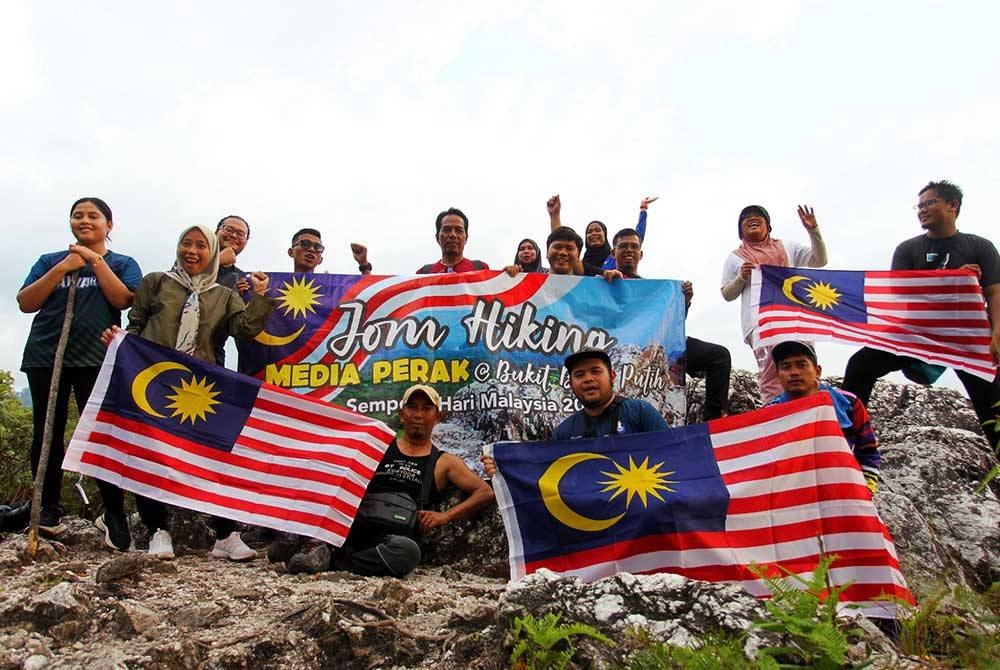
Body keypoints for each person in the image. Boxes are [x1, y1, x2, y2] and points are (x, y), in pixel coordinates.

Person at [97, 224, 276, 559]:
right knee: (150, 455)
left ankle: (225, 535)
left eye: (200, 246)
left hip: (200, 388)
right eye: (185, 244)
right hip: (152, 381)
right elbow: (135, 326)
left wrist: (262, 296)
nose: (191, 251)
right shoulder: (156, 282)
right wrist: (119, 342)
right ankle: (157, 531)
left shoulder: (224, 294)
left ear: (211, 253)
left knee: (212, 458)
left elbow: (246, 330)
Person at [16, 197, 142, 537]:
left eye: (93, 216)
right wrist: (63, 268)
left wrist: (94, 261)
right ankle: (47, 508)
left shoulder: (122, 262)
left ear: (109, 225)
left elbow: (124, 300)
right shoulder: (50, 261)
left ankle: (114, 512)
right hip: (47, 355)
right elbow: (26, 302)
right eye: (77, 215)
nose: (84, 221)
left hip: (96, 359)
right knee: (48, 434)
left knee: (101, 434)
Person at [842, 180, 1000, 450]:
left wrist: (996, 333)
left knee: (992, 405)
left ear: (953, 206)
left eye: (930, 203)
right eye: (920, 205)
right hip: (916, 332)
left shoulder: (979, 246)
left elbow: (994, 293)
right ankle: (849, 442)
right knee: (860, 365)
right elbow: (901, 296)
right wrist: (953, 279)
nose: (922, 210)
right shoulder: (908, 249)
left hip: (966, 335)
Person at [275, 384, 495, 576]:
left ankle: (327, 558)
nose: (418, 414)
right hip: (353, 525)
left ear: (438, 417)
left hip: (392, 536)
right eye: (412, 407)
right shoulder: (378, 447)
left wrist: (443, 517)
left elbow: (485, 492)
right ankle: (315, 547)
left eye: (427, 409)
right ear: (402, 414)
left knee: (408, 554)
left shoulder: (444, 461)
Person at [482, 347, 668, 476]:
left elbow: (673, 458)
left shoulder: (640, 412)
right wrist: (503, 468)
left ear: (612, 376)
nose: (588, 379)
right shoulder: (565, 432)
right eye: (579, 375)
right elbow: (544, 475)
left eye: (596, 371)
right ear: (571, 385)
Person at [609, 228, 732, 420]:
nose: (629, 250)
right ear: (613, 252)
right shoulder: (602, 281)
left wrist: (684, 303)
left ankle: (714, 421)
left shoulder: (654, 290)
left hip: (658, 347)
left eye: (634, 246)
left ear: (641, 254)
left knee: (719, 356)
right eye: (623, 246)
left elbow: (670, 323)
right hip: (618, 350)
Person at [720, 204, 828, 403]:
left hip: (796, 319)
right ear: (740, 231)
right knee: (773, 375)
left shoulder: (788, 248)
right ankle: (776, 420)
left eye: (758, 217)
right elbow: (727, 294)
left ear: (768, 226)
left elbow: (819, 260)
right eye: (746, 218)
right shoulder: (736, 258)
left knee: (804, 368)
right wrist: (740, 278)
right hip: (761, 324)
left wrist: (813, 230)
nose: (752, 219)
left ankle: (810, 414)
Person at [767, 341, 881, 493]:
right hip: (795, 498)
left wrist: (866, 490)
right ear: (778, 376)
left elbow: (869, 450)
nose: (794, 372)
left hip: (842, 494)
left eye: (801, 365)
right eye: (786, 367)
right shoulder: (770, 413)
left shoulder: (848, 403)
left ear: (817, 371)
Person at [546, 195, 657, 274]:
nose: (594, 233)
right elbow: (560, 241)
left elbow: (637, 237)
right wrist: (555, 216)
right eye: (589, 232)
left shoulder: (615, 257)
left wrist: (643, 210)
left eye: (598, 230)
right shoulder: (582, 263)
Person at [213, 215, 251, 367]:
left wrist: (257, 296)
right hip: (165, 350)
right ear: (216, 232)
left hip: (210, 357)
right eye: (229, 229)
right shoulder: (192, 258)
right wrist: (216, 261)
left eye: (241, 234)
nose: (234, 235)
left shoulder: (243, 280)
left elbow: (242, 328)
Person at [416, 208, 489, 274]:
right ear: (437, 238)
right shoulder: (423, 274)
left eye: (459, 230)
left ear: (466, 238)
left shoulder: (481, 269)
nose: (453, 235)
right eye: (446, 230)